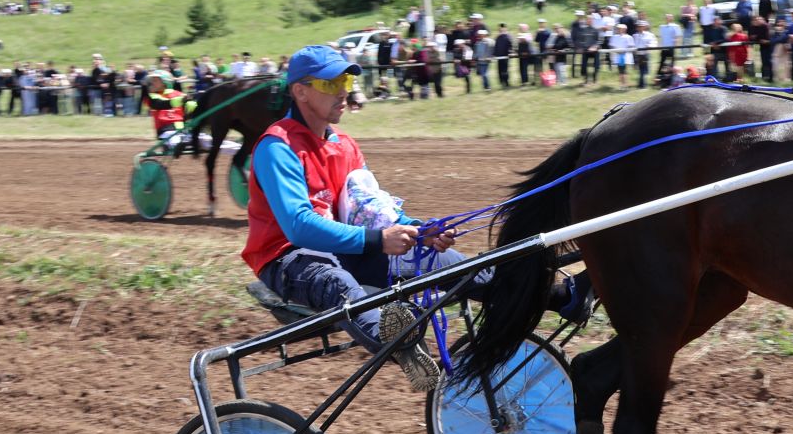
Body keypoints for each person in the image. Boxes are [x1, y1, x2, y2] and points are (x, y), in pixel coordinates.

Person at [242, 45, 589, 392]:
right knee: (336, 283)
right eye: (331, 84)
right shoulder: (278, 147)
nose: (344, 91)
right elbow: (298, 226)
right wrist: (378, 240)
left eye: (346, 79)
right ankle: (397, 339)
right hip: (287, 257)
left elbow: (372, 208)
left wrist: (420, 232)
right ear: (300, 91)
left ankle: (560, 297)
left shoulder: (344, 145)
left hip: (349, 244)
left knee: (455, 268)